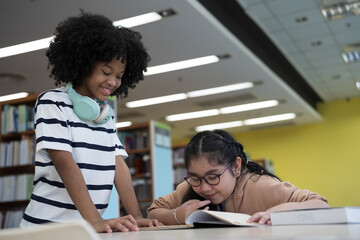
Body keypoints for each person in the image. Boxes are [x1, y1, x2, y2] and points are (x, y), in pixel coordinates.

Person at [20, 12, 161, 232]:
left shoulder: (104, 114)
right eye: (106, 72)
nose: (113, 82)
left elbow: (118, 166)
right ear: (84, 64)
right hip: (47, 229)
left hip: (85, 229)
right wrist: (94, 220)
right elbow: (65, 162)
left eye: (119, 75)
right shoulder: (52, 102)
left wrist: (135, 216)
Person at [147, 129, 329, 225]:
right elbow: (154, 211)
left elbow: (321, 204)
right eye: (195, 178)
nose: (204, 188)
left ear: (236, 166)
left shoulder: (260, 186)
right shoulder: (190, 188)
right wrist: (177, 215)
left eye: (213, 177)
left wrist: (277, 212)